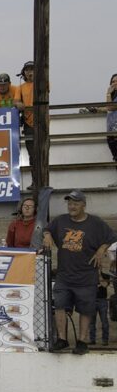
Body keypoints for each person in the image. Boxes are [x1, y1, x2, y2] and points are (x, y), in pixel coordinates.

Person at [43, 190, 117, 355]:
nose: (72, 206)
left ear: (83, 205)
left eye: (76, 203)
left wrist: (101, 248)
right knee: (60, 305)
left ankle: (82, 341)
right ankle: (62, 339)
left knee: (85, 309)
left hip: (86, 277)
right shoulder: (60, 221)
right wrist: (47, 234)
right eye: (70, 203)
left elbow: (112, 237)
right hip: (64, 275)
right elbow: (46, 229)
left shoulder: (95, 223)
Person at [14, 61, 36, 188]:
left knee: (42, 153)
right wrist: (18, 104)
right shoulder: (20, 87)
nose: (29, 72)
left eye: (32, 69)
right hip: (28, 123)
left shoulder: (43, 83)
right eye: (27, 70)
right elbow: (16, 101)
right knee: (32, 154)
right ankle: (35, 181)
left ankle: (43, 180)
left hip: (42, 122)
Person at [103, 73, 117, 187]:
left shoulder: (111, 96)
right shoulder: (114, 97)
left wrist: (108, 93)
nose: (114, 83)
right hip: (111, 130)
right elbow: (108, 108)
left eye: (116, 81)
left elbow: (110, 107)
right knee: (116, 156)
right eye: (112, 81)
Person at [88, 273, 110, 345]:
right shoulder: (90, 275)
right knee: (91, 322)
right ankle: (92, 340)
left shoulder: (105, 275)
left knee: (104, 322)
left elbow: (105, 285)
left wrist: (100, 276)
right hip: (92, 300)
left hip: (102, 301)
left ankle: (105, 340)